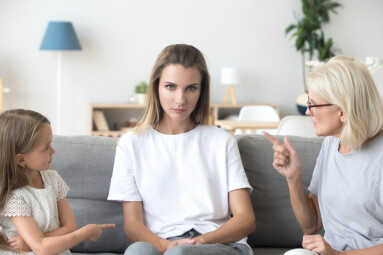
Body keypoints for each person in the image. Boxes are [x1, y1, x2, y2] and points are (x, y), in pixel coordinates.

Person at [107, 44, 255, 255]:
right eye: (170, 87)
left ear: (201, 90)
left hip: (219, 244)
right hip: (162, 244)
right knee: (138, 251)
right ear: (156, 86)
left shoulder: (222, 141)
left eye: (191, 88)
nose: (180, 100)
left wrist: (198, 242)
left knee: (180, 254)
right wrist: (165, 246)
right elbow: (132, 224)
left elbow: (246, 220)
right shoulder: (130, 143)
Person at [264, 56, 383, 255]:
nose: (308, 112)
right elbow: (311, 225)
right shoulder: (331, 144)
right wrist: (293, 177)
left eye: (313, 105)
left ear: (343, 111)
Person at [0, 109, 115, 255]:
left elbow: (70, 227)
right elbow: (41, 249)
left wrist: (31, 242)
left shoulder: (53, 179)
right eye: (46, 148)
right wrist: (86, 232)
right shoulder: (14, 198)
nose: (53, 151)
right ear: (21, 159)